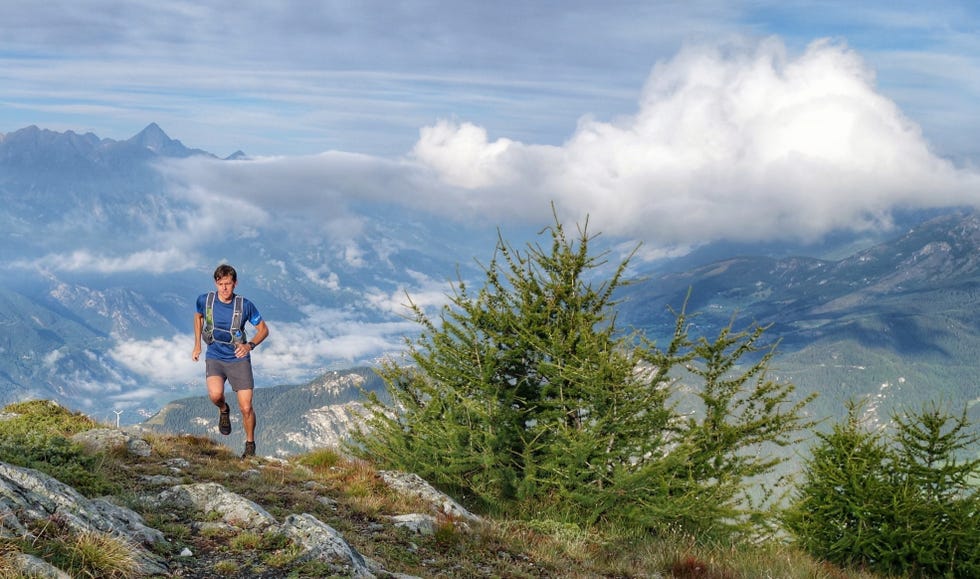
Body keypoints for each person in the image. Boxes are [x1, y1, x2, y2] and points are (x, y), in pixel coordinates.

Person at [191, 264, 269, 458]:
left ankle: (250, 445)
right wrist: (197, 345)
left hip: (238, 358)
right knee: (216, 395)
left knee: (246, 407)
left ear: (235, 283)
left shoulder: (245, 305)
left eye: (228, 283)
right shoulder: (205, 300)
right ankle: (224, 410)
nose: (224, 288)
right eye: (221, 283)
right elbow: (198, 316)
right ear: (216, 283)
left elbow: (264, 330)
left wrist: (249, 345)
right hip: (215, 355)